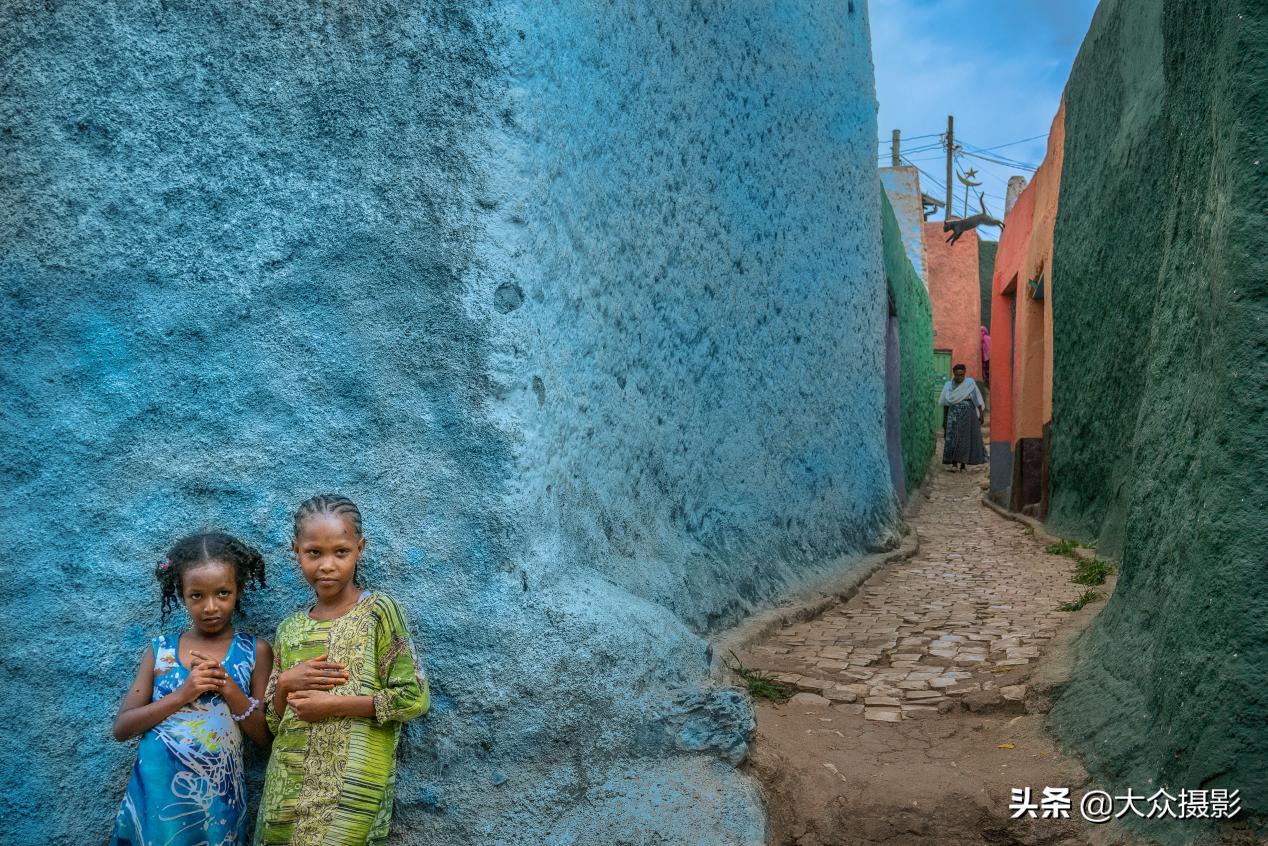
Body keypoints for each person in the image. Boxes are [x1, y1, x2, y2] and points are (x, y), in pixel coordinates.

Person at [255, 494, 430, 846]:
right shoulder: (289, 629)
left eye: (341, 552)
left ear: (360, 548)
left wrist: (332, 705)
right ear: (296, 551)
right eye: (313, 553)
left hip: (351, 789)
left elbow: (414, 698)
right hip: (285, 788)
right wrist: (286, 683)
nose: (327, 565)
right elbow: (275, 723)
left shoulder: (379, 611)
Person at [111, 532, 273, 846]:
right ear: (182, 594)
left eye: (223, 593)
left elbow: (264, 736)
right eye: (196, 596)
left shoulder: (256, 651)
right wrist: (183, 694)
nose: (210, 606)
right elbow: (123, 728)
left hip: (216, 804)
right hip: (155, 799)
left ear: (238, 589)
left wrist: (227, 686)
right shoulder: (161, 651)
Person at [939, 363, 987, 471]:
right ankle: (954, 463)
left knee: (965, 439)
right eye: (957, 375)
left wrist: (981, 414)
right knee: (953, 438)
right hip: (953, 415)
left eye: (961, 375)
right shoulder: (948, 385)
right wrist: (945, 419)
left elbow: (976, 399)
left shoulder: (969, 383)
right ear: (954, 374)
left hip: (968, 415)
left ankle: (963, 464)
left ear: (964, 373)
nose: (959, 377)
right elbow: (946, 403)